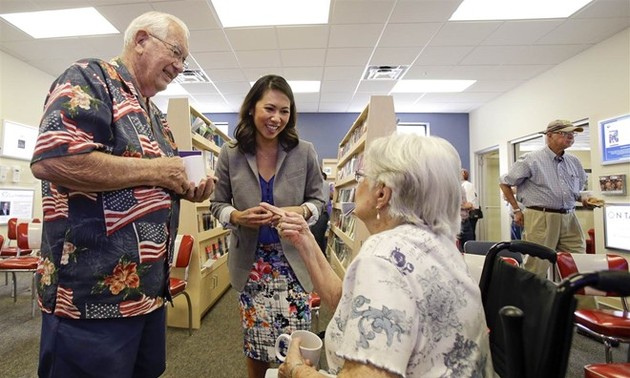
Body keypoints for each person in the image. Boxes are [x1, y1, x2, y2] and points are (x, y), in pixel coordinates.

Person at [30, 12, 215, 377]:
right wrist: (160, 170)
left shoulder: (156, 117)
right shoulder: (90, 78)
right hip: (89, 299)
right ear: (142, 39)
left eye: (185, 60)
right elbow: (53, 160)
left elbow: (156, 181)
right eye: (176, 53)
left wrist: (188, 187)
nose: (180, 66)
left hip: (147, 295)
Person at [264, 133, 494, 377]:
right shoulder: (439, 246)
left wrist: (297, 370)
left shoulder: (384, 255)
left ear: (382, 194)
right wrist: (305, 240)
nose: (356, 185)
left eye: (362, 177)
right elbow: (348, 300)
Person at [209, 74, 326, 378]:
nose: (276, 118)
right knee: (255, 344)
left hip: (295, 264)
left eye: (284, 111)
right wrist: (236, 217)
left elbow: (319, 202)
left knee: (297, 348)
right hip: (251, 264)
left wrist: (299, 211)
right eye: (270, 109)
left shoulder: (305, 151)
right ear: (252, 109)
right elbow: (216, 204)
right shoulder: (230, 154)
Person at [500, 119, 595, 277]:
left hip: (569, 217)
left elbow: (574, 192)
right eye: (565, 133)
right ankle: (531, 301)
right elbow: (504, 183)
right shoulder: (531, 159)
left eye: (573, 134)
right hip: (540, 217)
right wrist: (516, 210)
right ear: (549, 135)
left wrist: (585, 199)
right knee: (536, 267)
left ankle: (578, 302)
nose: (571, 137)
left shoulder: (574, 162)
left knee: (578, 263)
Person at [461, 168, 480, 238]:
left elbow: (469, 203)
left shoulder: (467, 185)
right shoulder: (463, 185)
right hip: (467, 213)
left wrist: (467, 206)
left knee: (470, 235)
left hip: (469, 213)